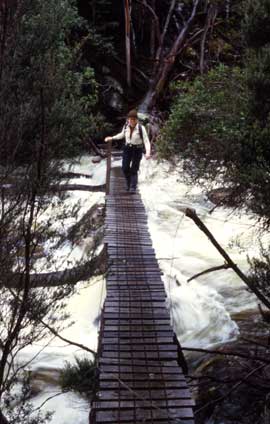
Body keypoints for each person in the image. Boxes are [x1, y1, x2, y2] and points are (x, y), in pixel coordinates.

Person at [104, 109, 151, 193]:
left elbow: (146, 141)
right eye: (130, 119)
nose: (132, 121)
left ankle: (133, 187)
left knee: (134, 169)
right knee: (125, 168)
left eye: (133, 119)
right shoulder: (126, 126)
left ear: (136, 119)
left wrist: (148, 152)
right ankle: (129, 183)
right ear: (128, 119)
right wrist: (112, 138)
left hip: (137, 149)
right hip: (127, 149)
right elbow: (122, 135)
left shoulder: (141, 128)